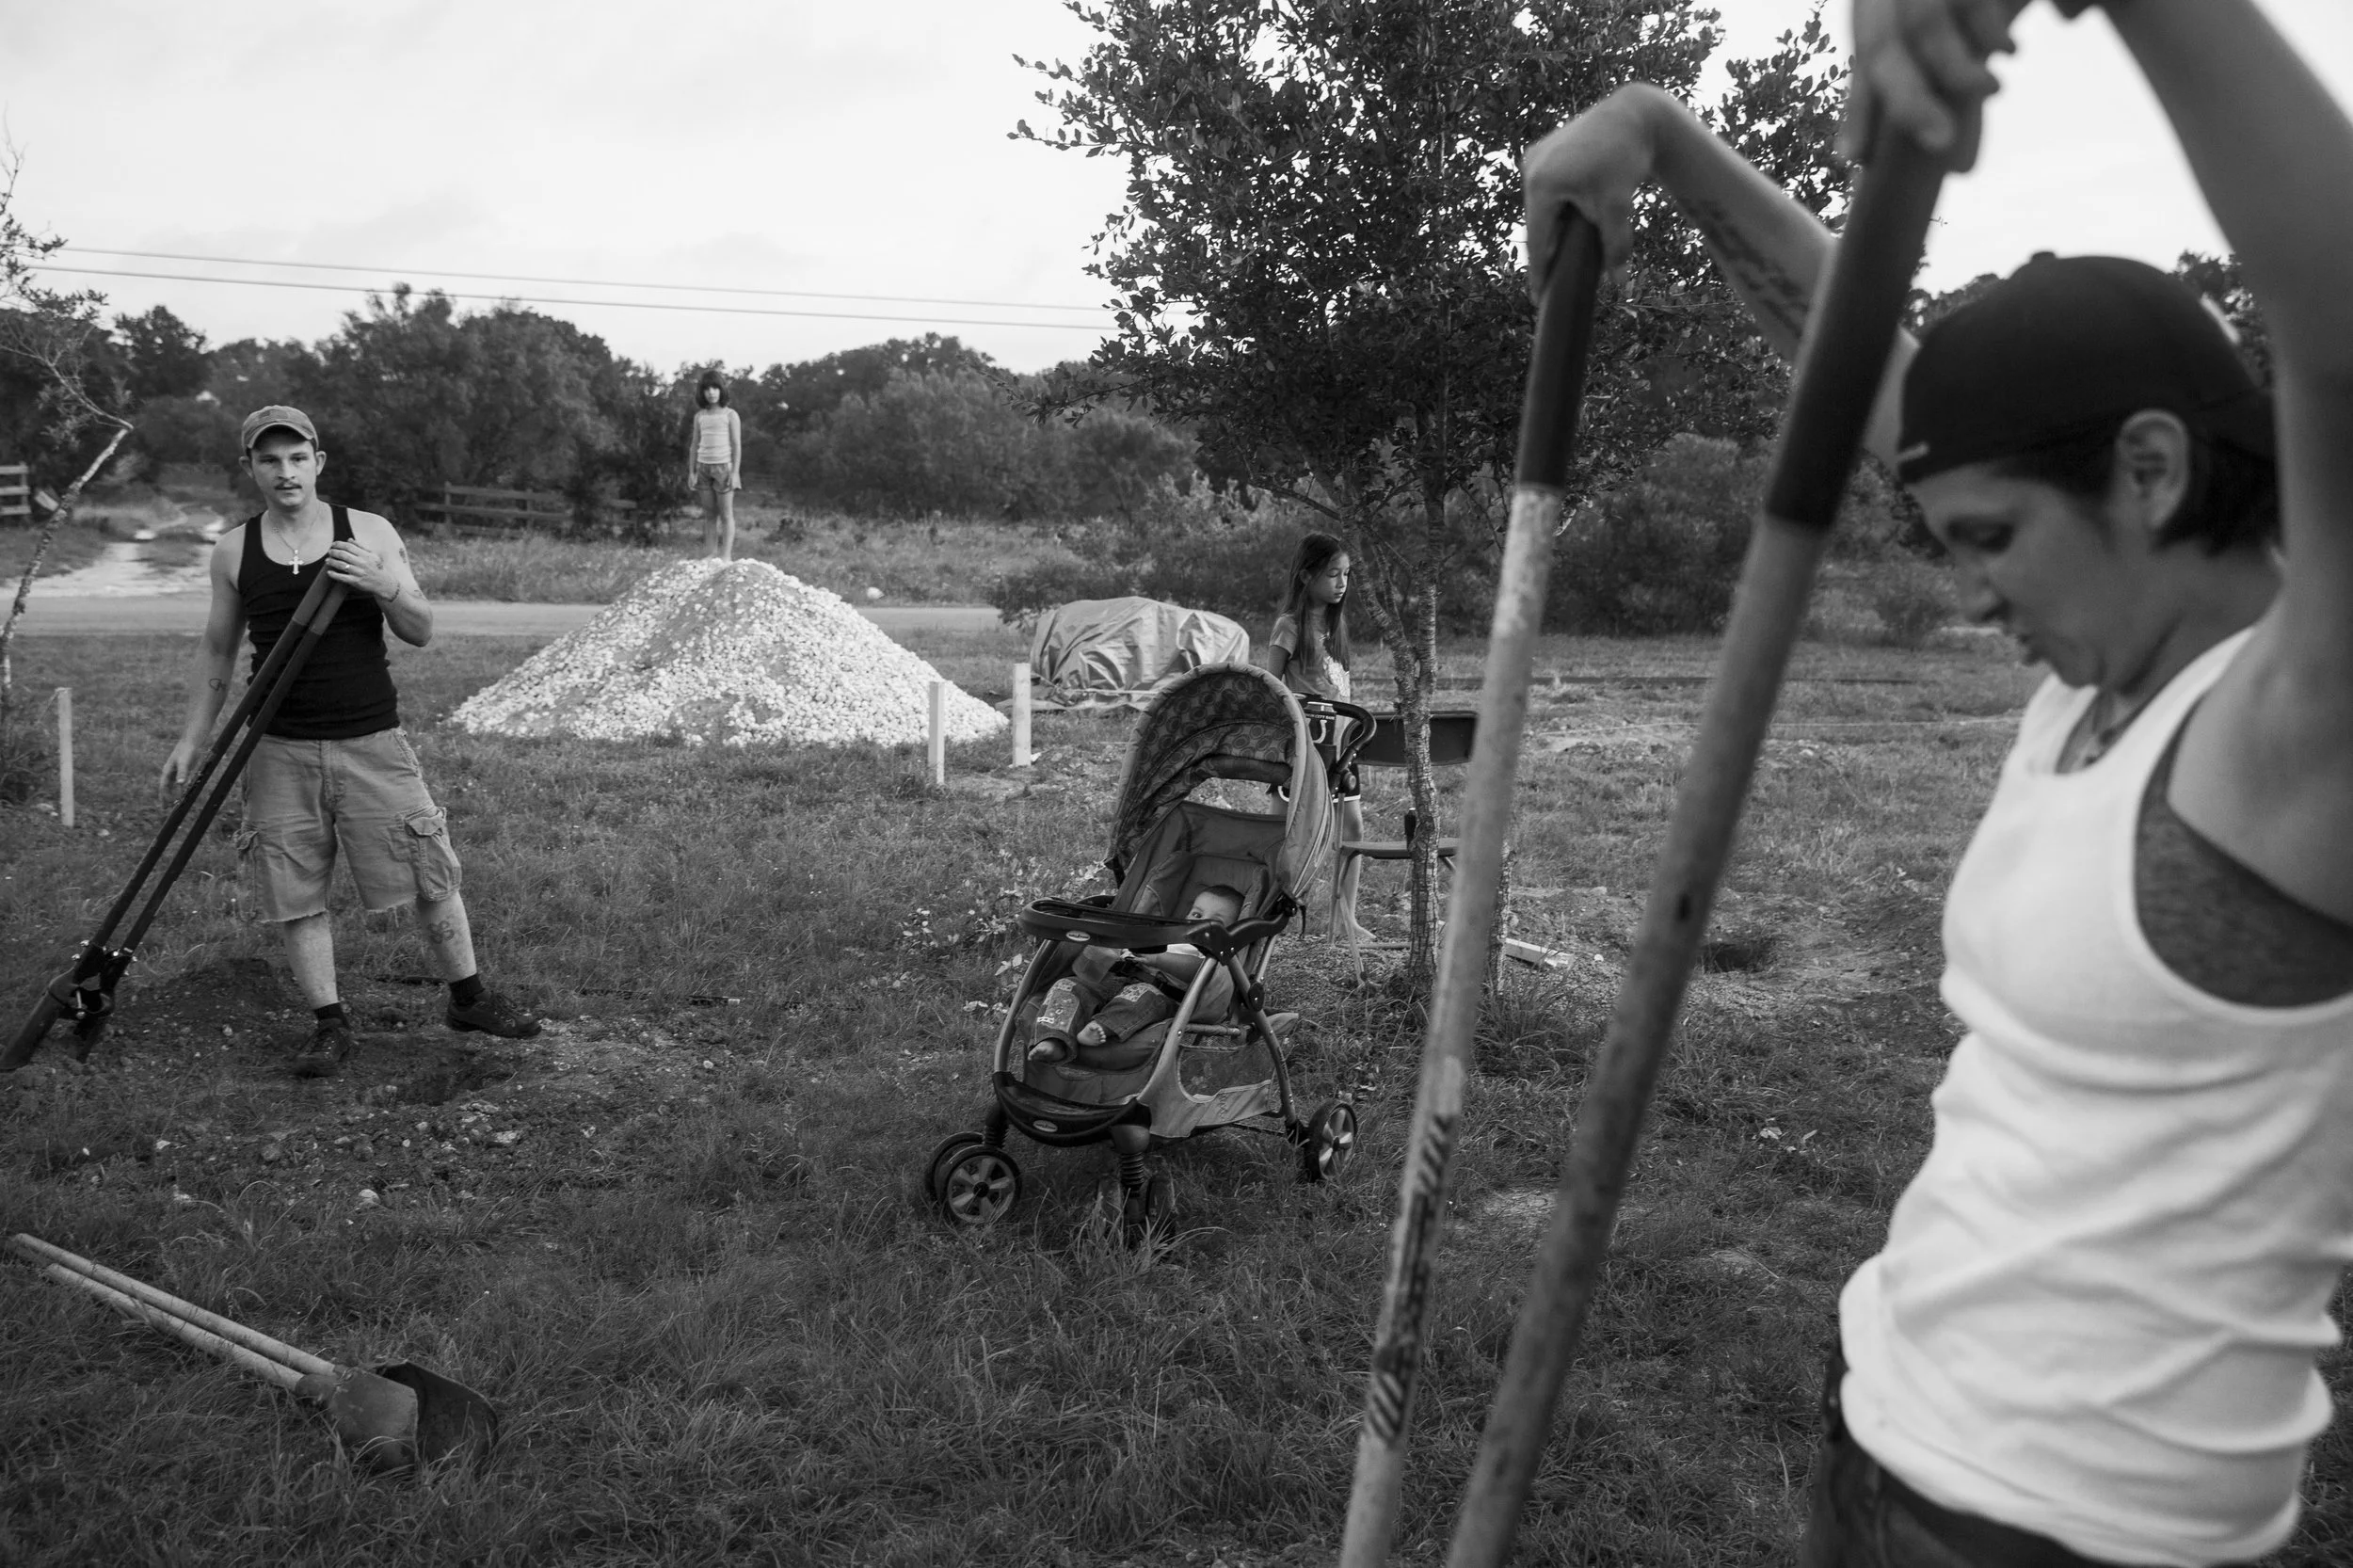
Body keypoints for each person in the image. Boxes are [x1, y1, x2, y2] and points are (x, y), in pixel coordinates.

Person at [1524, 2, 2352, 1562]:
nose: (1976, 598)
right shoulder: (2101, 671)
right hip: (1894, 1423)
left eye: (1989, 544)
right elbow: (1874, 373)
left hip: (2071, 1530)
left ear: (2154, 472)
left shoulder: (2299, 726)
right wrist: (1666, 139)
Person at [163, 406, 542, 1077]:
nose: (285, 472)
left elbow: (422, 629)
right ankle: (329, 1025)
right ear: (251, 468)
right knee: (295, 891)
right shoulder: (234, 549)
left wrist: (383, 583)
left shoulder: (367, 532)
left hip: (371, 740)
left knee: (429, 873)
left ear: (318, 463)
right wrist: (194, 738)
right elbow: (218, 649)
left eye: (297, 458)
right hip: (277, 747)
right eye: (270, 460)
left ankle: (469, 998)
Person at [1264, 533, 1376, 945]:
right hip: (1303, 747)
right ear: (1306, 575)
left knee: (1353, 828)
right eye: (1333, 574)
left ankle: (1345, 917)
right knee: (1281, 831)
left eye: (1346, 574)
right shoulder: (1289, 626)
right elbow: (1271, 687)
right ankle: (1265, 913)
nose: (1342, 582)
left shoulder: (1335, 624)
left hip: (1342, 746)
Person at [1029, 885, 1244, 1064]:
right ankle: (1053, 1039)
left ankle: (1102, 1027)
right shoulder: (1169, 934)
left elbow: (1197, 973)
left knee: (1142, 997)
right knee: (1068, 986)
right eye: (1197, 914)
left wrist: (1158, 959)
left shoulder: (1211, 954)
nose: (1200, 923)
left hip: (1159, 991)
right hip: (1114, 978)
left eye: (1214, 923)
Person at [683, 369, 743, 561]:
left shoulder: (730, 415)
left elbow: (736, 445)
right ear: (702, 392)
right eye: (707, 388)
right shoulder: (700, 416)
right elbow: (694, 444)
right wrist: (691, 472)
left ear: (721, 390)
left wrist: (735, 473)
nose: (711, 392)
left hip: (723, 469)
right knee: (709, 514)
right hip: (703, 468)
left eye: (715, 388)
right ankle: (710, 553)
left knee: (726, 514)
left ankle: (726, 556)